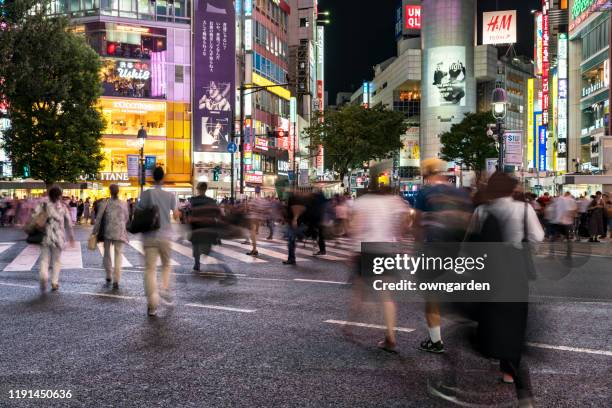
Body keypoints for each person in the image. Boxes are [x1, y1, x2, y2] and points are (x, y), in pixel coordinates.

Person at [413, 158, 472, 354]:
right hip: (456, 249)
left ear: (425, 174)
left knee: (431, 295)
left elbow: (418, 223)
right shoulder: (460, 192)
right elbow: (468, 221)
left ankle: (436, 341)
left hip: (433, 248)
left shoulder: (425, 192)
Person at [137, 167, 180, 317]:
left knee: (150, 269)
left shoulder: (146, 194)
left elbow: (138, 211)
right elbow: (176, 216)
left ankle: (152, 304)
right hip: (165, 236)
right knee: (167, 265)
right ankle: (164, 287)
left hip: (149, 236)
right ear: (163, 177)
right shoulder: (170, 195)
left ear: (152, 177)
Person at [33, 186, 75, 292]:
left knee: (44, 259)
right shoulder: (62, 207)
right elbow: (69, 223)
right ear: (60, 195)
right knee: (56, 260)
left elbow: (34, 217)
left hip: (45, 236)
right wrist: (71, 236)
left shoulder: (43, 205)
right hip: (58, 237)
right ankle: (54, 282)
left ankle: (44, 276)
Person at [92, 184, 129, 290]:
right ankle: (116, 279)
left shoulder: (105, 203)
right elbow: (126, 218)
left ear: (110, 192)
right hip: (120, 232)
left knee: (107, 254)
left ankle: (108, 275)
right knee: (118, 255)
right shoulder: (123, 204)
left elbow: (98, 218)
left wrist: (94, 232)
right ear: (118, 191)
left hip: (107, 232)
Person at [189, 182, 221, 271]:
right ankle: (204, 253)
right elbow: (217, 214)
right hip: (208, 226)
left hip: (197, 226)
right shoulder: (211, 201)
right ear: (206, 189)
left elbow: (190, 213)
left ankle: (197, 263)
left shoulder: (193, 200)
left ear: (198, 189)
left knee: (196, 245)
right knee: (206, 245)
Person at [283, 190, 308, 265]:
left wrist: (295, 219)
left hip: (294, 223)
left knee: (291, 241)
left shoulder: (293, 198)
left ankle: (291, 259)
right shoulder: (298, 198)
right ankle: (291, 258)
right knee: (291, 241)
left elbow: (297, 208)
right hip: (295, 223)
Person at [245, 191, 268, 256]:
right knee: (253, 235)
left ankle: (254, 250)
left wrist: (248, 206)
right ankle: (254, 249)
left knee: (253, 235)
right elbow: (265, 210)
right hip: (258, 219)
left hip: (253, 218)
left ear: (255, 192)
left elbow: (249, 208)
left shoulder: (254, 200)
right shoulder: (262, 201)